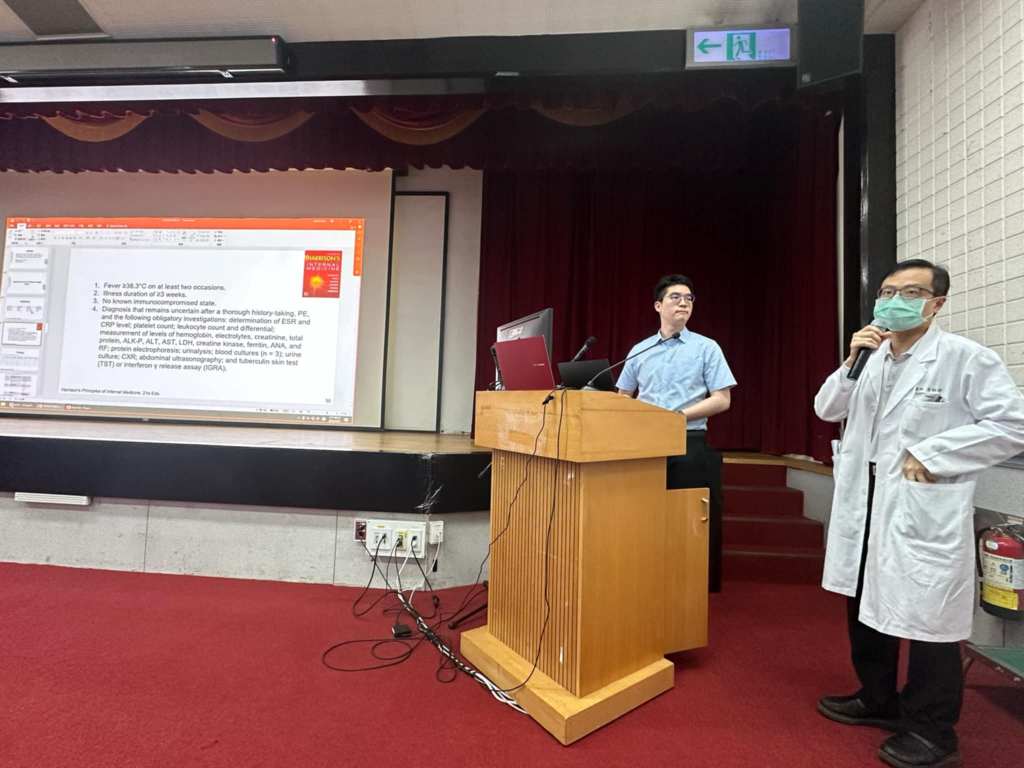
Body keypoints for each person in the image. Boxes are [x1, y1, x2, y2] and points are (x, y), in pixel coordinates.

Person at [814, 259, 1024, 768]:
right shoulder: (870, 357)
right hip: (864, 502)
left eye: (910, 293)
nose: (894, 301)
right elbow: (826, 409)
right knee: (864, 605)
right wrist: (851, 361)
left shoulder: (964, 358)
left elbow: (1012, 425)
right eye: (887, 292)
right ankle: (877, 697)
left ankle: (934, 731)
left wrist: (935, 453)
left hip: (919, 505)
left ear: (936, 304)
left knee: (931, 620)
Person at [616, 274, 737, 592]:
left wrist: (678, 416)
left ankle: (690, 585)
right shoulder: (640, 350)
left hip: (688, 442)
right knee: (644, 515)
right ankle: (644, 576)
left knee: (688, 520)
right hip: (645, 444)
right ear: (658, 306)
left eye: (689, 298)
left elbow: (722, 399)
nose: (684, 303)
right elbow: (622, 396)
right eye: (675, 297)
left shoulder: (706, 348)